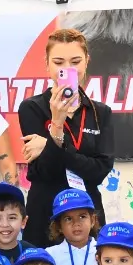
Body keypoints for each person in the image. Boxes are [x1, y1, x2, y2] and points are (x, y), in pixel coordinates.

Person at [19, 29, 115, 248]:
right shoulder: (32, 108)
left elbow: (99, 171)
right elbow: (44, 171)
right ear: (47, 64)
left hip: (87, 212)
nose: (67, 69)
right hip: (46, 210)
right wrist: (57, 123)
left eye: (75, 61)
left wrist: (50, 144)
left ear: (87, 61)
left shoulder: (101, 113)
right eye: (59, 62)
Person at [44, 189, 99, 265]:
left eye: (82, 216)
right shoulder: (49, 254)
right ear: (59, 226)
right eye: (68, 219)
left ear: (92, 220)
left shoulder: (103, 251)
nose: (76, 223)